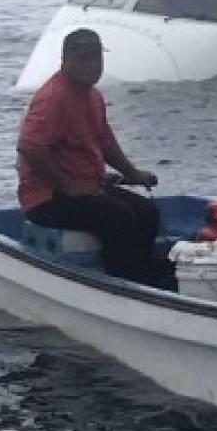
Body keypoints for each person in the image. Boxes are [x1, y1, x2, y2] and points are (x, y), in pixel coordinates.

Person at [16, 28, 161, 283]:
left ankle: (143, 274)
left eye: (96, 58)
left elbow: (105, 142)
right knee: (118, 216)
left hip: (86, 187)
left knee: (148, 211)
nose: (92, 65)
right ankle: (121, 282)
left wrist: (132, 174)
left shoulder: (92, 96)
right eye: (84, 58)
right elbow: (31, 147)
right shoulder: (53, 98)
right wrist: (68, 186)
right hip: (47, 198)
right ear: (66, 61)